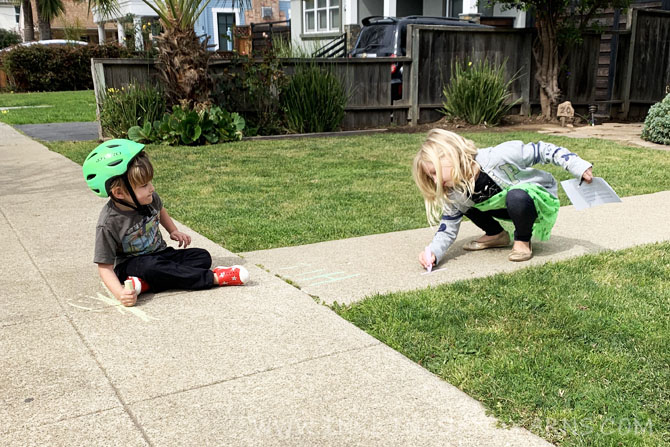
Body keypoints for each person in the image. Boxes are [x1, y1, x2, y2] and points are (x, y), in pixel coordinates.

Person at [83, 139, 249, 307]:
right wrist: (120, 294)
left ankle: (144, 284)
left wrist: (173, 230)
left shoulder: (150, 199)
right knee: (151, 267)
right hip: (131, 265)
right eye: (144, 185)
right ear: (119, 193)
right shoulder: (109, 223)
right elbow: (104, 267)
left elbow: (160, 210)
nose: (152, 188)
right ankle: (213, 278)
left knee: (202, 257)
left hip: (161, 254)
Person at [413, 129, 593, 267]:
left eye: (435, 172)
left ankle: (522, 240)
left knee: (516, 196)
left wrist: (577, 165)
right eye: (431, 177)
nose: (435, 181)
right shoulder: (456, 191)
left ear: (451, 155)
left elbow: (543, 150)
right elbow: (448, 227)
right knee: (462, 203)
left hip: (533, 201)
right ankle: (496, 235)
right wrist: (434, 252)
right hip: (504, 206)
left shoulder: (499, 156)